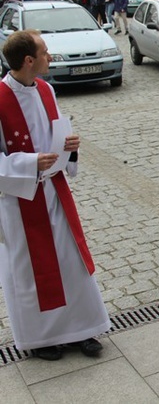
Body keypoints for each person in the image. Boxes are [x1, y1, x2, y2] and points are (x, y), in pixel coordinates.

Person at [0, 30, 110, 361]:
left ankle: (83, 330)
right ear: (29, 61)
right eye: (45, 52)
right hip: (20, 200)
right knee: (32, 269)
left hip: (54, 190)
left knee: (70, 261)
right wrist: (31, 162)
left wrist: (69, 148)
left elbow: (55, 133)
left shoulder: (46, 89)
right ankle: (42, 337)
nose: (51, 56)